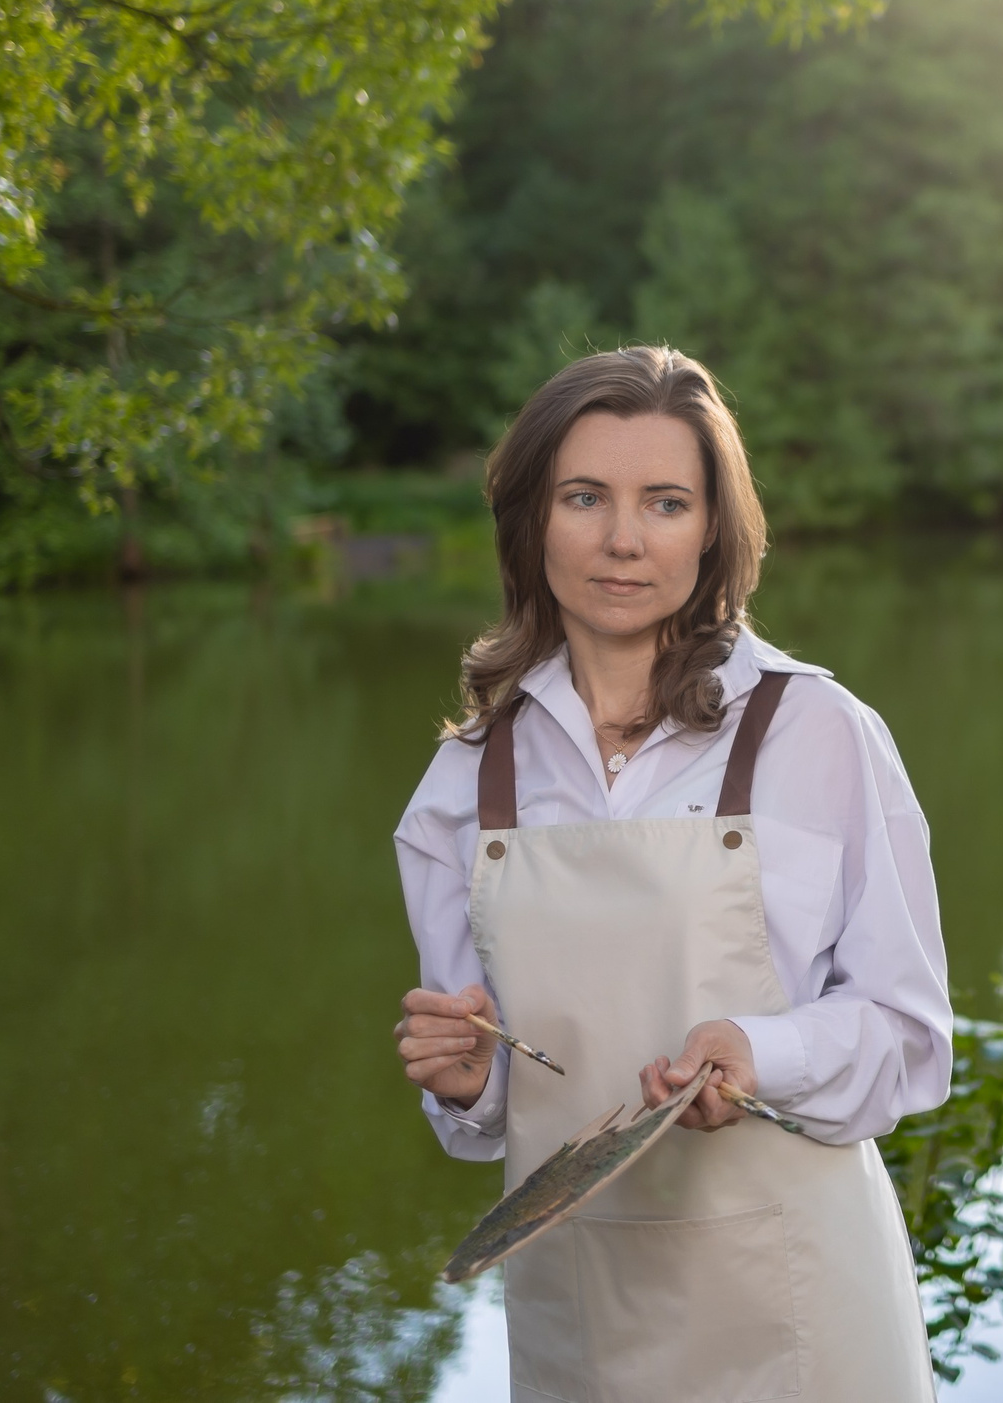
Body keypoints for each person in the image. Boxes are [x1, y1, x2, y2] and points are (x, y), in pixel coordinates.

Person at [390, 347, 950, 1402]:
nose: (622, 540)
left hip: (797, 1309)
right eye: (585, 497)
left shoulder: (819, 732)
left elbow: (909, 1038)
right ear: (530, 522)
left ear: (713, 529)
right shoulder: (466, 777)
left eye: (666, 502)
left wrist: (759, 1050)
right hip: (579, 1305)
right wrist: (468, 1076)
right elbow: (499, 1096)